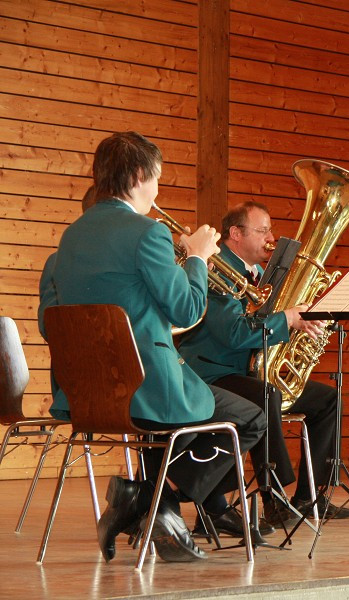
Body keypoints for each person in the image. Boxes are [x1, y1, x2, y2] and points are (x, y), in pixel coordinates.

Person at [38, 132, 266, 562]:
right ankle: (149, 499)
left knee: (180, 428)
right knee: (249, 418)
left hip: (88, 394)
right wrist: (197, 257)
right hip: (148, 389)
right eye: (157, 179)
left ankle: (148, 501)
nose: (157, 191)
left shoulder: (71, 238)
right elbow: (187, 307)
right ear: (141, 175)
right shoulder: (148, 234)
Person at [178, 200, 349, 530]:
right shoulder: (215, 270)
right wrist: (286, 319)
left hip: (249, 371)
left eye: (270, 230)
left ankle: (311, 495)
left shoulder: (265, 276)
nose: (270, 237)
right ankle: (273, 497)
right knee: (266, 395)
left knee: (328, 401)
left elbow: (267, 326)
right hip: (213, 371)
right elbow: (233, 333)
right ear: (235, 234)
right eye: (262, 230)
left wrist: (306, 321)